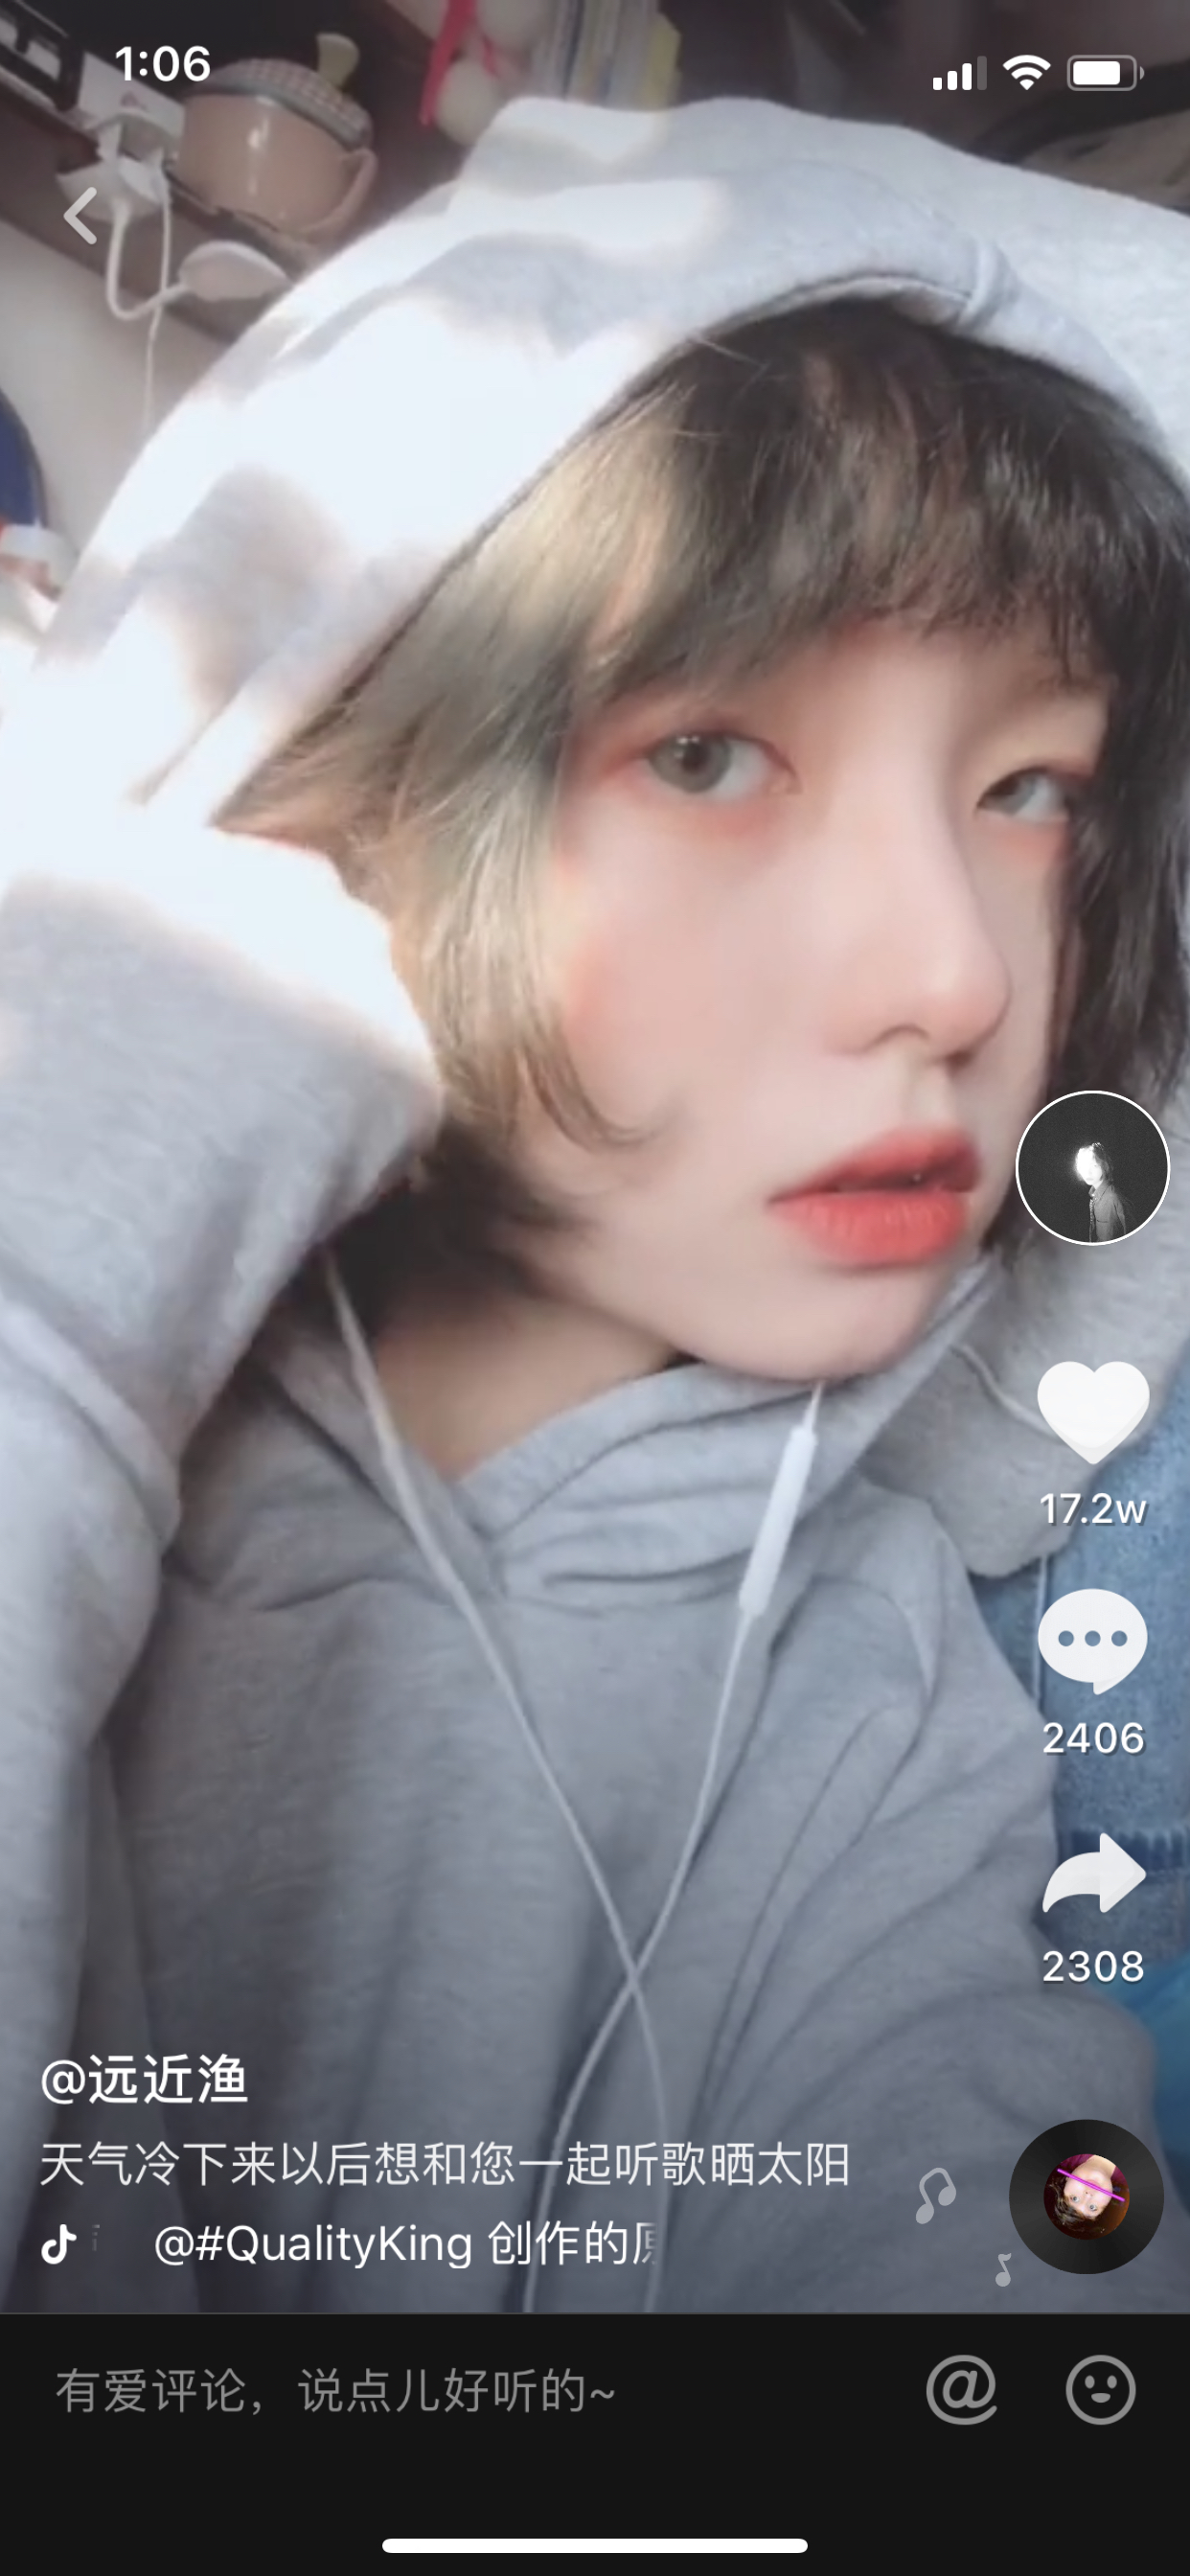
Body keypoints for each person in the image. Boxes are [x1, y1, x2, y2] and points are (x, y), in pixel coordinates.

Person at [3, 95, 1190, 2320]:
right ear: (322, 795)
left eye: (1031, 789)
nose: (955, 978)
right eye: (707, 755)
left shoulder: (880, 1709)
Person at [1076, 1141, 1129, 1241]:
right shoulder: (1094, 1194)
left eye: (1094, 1166)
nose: (1088, 1172)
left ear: (1104, 1166)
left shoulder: (1113, 1197)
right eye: (1084, 1166)